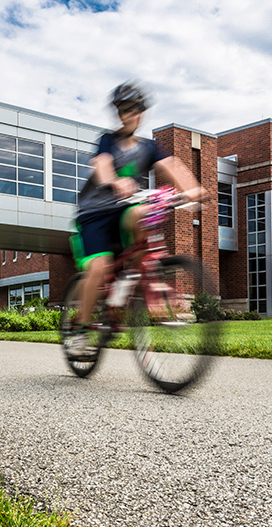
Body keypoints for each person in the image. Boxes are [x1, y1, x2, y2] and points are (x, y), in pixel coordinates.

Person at [68, 82, 207, 358]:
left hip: (124, 210)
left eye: (133, 110)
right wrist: (114, 181)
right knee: (99, 265)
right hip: (94, 214)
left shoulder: (149, 147)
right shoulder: (108, 140)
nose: (128, 115)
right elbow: (102, 164)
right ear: (118, 114)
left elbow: (173, 165)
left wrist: (192, 189)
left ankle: (133, 280)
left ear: (142, 113)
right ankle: (79, 330)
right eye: (122, 110)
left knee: (144, 215)